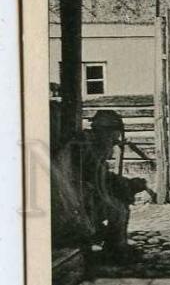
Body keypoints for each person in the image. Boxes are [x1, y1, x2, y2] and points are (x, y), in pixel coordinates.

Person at [52, 109, 148, 262]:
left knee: (115, 204)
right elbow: (98, 177)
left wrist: (125, 184)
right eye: (114, 138)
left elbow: (100, 176)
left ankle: (112, 244)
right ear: (105, 132)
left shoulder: (89, 143)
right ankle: (115, 249)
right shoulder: (85, 145)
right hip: (69, 200)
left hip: (76, 196)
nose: (115, 142)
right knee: (118, 209)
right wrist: (128, 185)